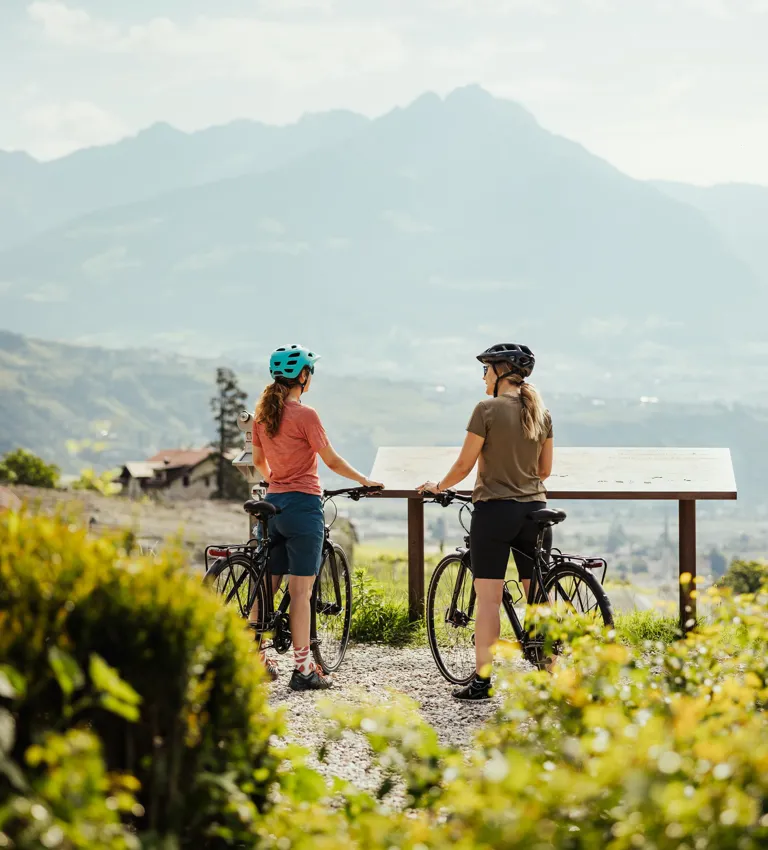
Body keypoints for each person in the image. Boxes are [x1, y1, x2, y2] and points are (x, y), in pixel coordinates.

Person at [418, 343, 553, 701]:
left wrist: (438, 486)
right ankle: (552, 673)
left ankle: (482, 681)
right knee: (538, 596)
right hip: (536, 510)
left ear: (500, 372)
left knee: (489, 600)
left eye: (486, 370)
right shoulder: (541, 412)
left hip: (495, 513)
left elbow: (464, 465)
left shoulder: (486, 409)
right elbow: (544, 470)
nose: (483, 377)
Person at [250, 344, 383, 691]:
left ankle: (255, 658)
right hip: (303, 507)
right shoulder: (305, 415)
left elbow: (260, 463)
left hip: (273, 504)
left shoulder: (263, 415)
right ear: (304, 376)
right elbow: (332, 460)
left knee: (266, 585)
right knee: (301, 591)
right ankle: (304, 669)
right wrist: (364, 480)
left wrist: (276, 480)